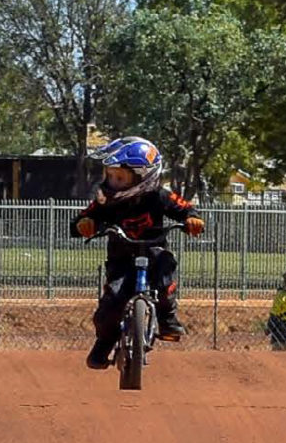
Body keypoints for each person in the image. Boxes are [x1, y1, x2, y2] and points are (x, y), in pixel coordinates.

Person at [71, 137, 203, 370]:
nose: (113, 182)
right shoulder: (107, 201)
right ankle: (104, 343)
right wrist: (85, 223)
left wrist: (192, 219)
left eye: (120, 177)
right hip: (121, 258)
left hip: (154, 251)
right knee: (111, 303)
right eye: (110, 176)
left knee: (165, 269)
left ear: (144, 176)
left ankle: (167, 317)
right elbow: (84, 217)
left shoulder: (159, 196)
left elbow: (184, 208)